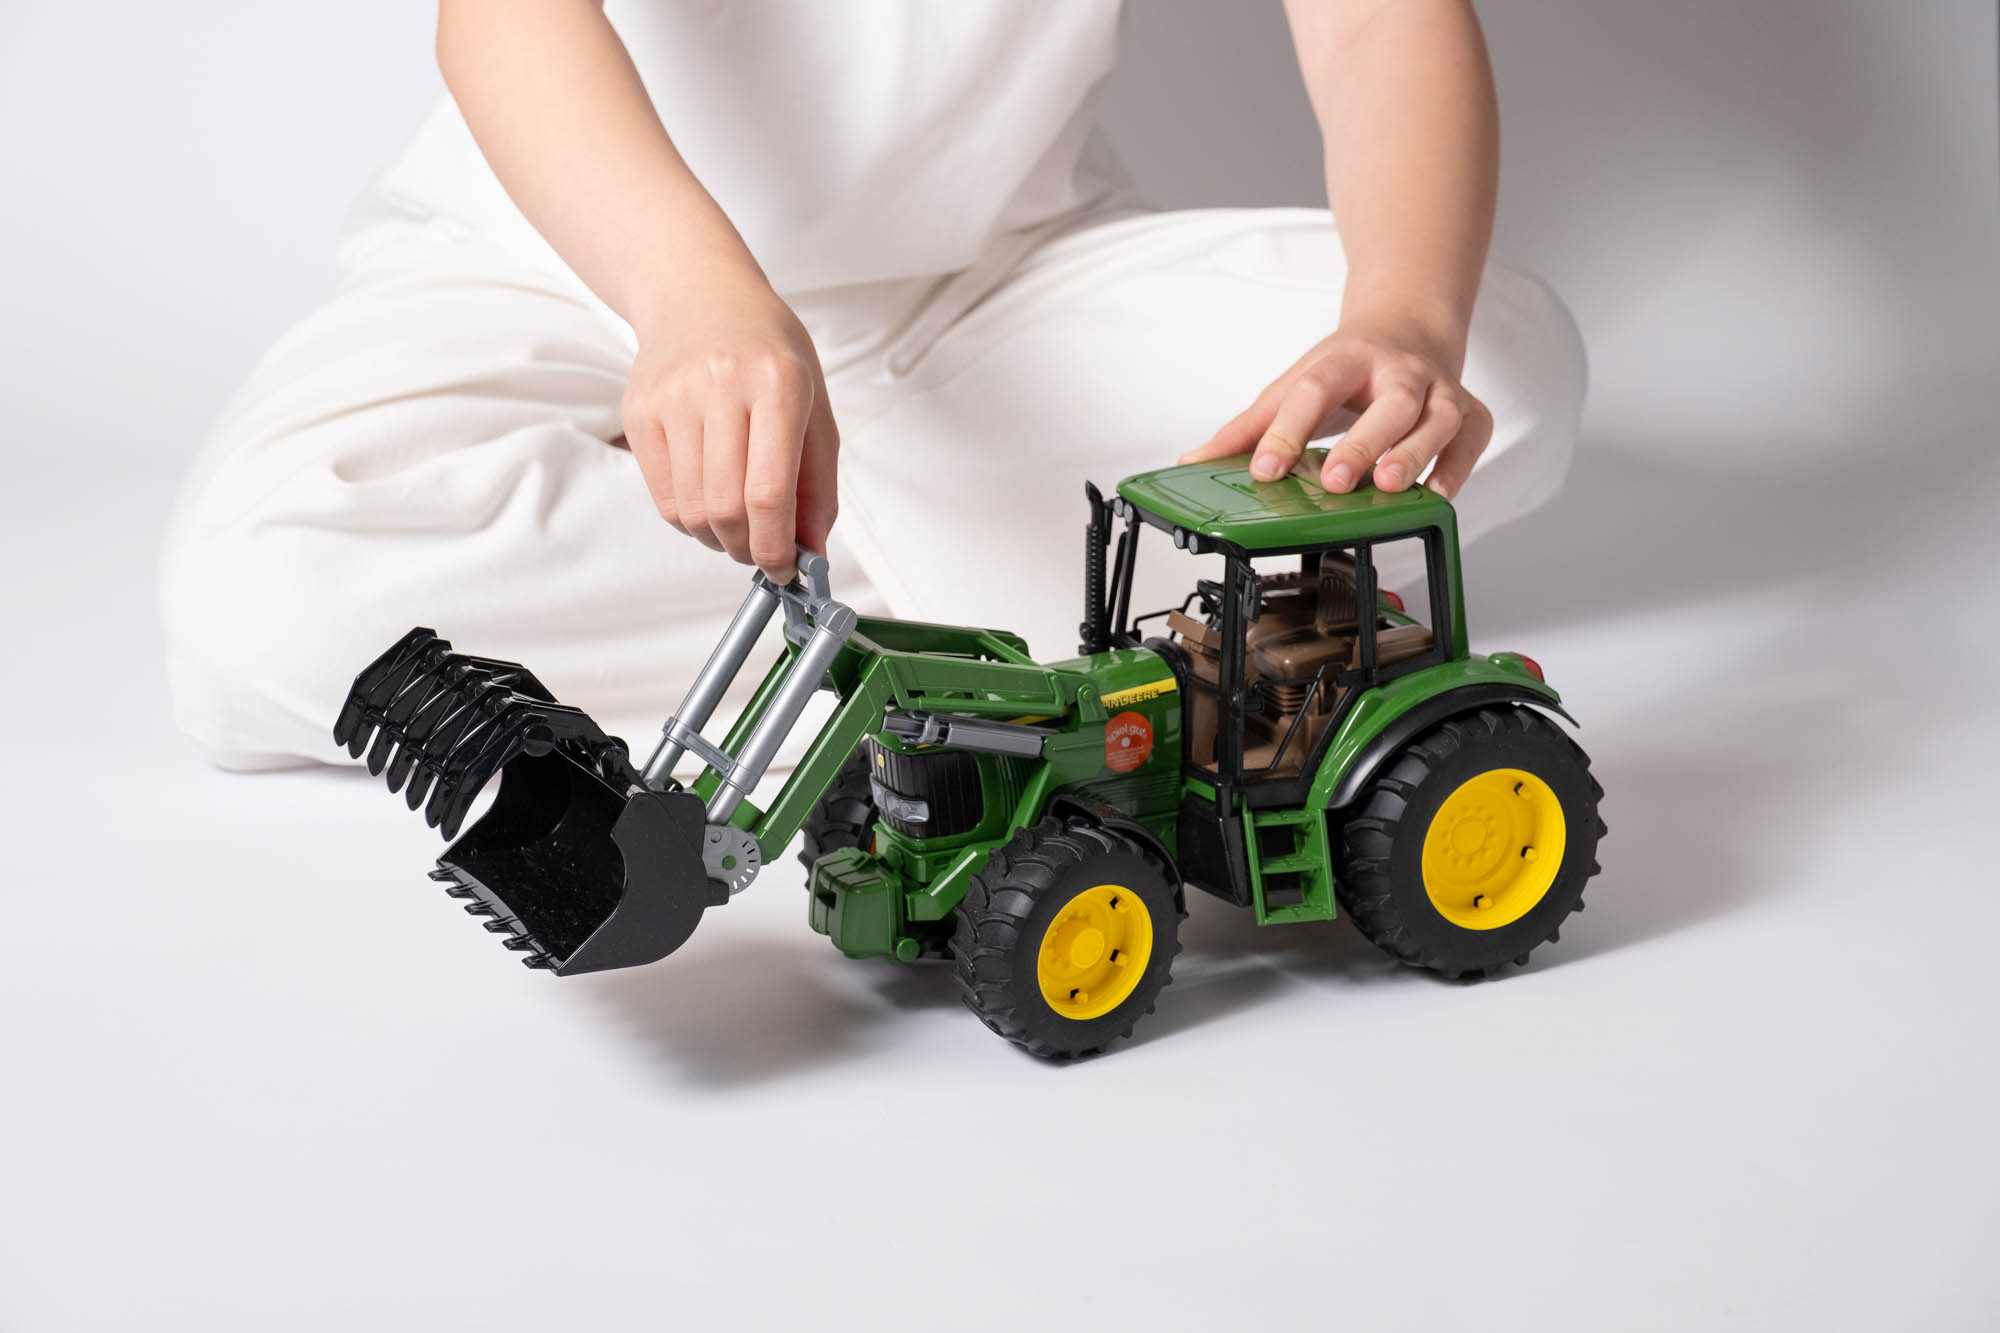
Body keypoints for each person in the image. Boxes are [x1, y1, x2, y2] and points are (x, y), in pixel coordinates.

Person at [158, 0, 1585, 770]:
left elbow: (1376, 20)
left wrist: (1402, 315)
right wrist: (695, 299)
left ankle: (856, 572)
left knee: (1500, 367)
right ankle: (1025, 574)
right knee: (265, 592)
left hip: (994, 285)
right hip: (581, 270)